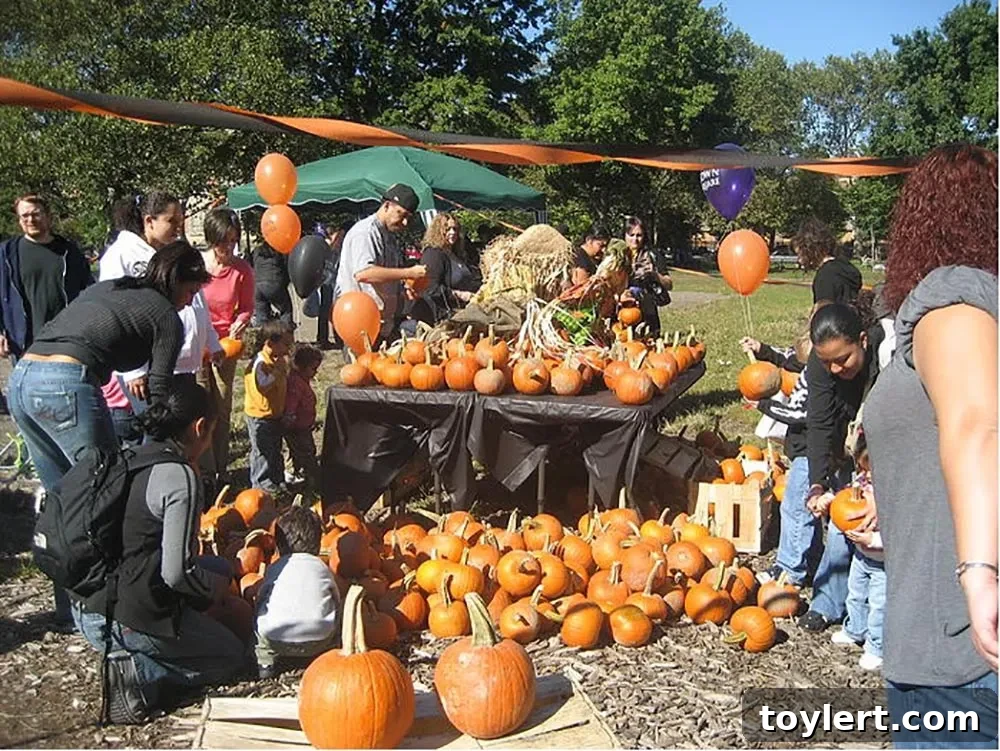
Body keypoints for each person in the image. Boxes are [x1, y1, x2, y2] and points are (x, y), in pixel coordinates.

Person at [863, 143, 997, 747]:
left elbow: (975, 424)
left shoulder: (955, 292)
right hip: (942, 642)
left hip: (962, 650)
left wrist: (978, 572)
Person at [70, 380, 248, 723]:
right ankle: (139, 674)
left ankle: (147, 647)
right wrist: (216, 591)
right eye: (211, 431)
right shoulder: (180, 477)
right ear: (199, 427)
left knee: (219, 568)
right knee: (231, 657)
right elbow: (176, 573)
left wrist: (216, 576)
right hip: (122, 617)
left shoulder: (131, 454)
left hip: (89, 600)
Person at [796, 301, 886, 633]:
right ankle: (828, 603)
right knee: (842, 520)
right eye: (826, 362)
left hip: (885, 439)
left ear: (863, 340)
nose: (835, 368)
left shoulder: (887, 354)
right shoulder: (822, 368)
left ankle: (877, 617)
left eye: (842, 359)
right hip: (846, 443)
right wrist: (818, 483)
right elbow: (818, 422)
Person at [99, 192, 185, 444]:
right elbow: (115, 312)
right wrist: (133, 369)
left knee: (167, 426)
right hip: (138, 364)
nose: (178, 228)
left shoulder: (162, 253)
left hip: (161, 358)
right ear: (149, 221)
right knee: (154, 430)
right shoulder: (121, 255)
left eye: (180, 221)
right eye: (172, 221)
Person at [0, 194, 93, 414]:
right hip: (24, 341)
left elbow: (88, 292)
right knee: (30, 405)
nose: (30, 220)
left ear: (48, 216)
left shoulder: (69, 252)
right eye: (24, 216)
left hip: (65, 340)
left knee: (64, 403)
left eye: (35, 214)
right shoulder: (7, 253)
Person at [198, 208, 255, 480]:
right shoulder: (198, 267)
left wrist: (240, 322)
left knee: (221, 407)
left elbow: (246, 307)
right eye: (224, 241)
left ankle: (219, 469)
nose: (229, 247)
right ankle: (202, 467)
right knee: (200, 405)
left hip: (225, 346)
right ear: (212, 239)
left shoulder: (241, 270)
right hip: (197, 345)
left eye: (233, 241)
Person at [254, 504, 340, 679]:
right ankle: (332, 653)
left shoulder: (276, 567)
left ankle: (265, 664)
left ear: (279, 544)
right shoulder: (321, 567)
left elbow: (262, 595)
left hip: (276, 638)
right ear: (317, 544)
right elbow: (335, 597)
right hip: (320, 638)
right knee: (338, 609)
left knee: (260, 617)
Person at [335, 184, 426, 342]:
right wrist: (408, 272)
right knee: (361, 366)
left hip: (382, 325)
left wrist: (402, 288)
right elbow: (364, 273)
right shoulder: (365, 232)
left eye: (408, 219)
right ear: (387, 205)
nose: (404, 223)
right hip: (359, 325)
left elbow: (385, 275)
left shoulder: (389, 235)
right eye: (401, 214)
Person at [830, 453, 885, 672]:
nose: (866, 477)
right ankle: (855, 629)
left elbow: (899, 533)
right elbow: (845, 499)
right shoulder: (862, 485)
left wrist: (873, 539)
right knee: (856, 593)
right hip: (862, 556)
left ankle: (876, 647)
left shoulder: (892, 497)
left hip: (883, 562)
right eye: (864, 471)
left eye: (871, 474)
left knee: (879, 606)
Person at [244, 319, 294, 493]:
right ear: (270, 343)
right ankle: (261, 485)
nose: (288, 348)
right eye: (286, 344)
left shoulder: (275, 360)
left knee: (275, 449)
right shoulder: (261, 363)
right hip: (260, 416)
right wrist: (278, 372)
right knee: (262, 451)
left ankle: (276, 478)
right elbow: (262, 386)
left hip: (274, 413)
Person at [405, 212, 477, 327]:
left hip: (460, 313)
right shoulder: (433, 254)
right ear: (437, 231)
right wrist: (460, 295)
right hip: (438, 318)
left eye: (455, 229)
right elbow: (430, 287)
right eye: (447, 229)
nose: (452, 233)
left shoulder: (455, 253)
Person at [621, 216, 671, 337]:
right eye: (631, 235)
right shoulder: (618, 254)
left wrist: (654, 274)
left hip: (647, 309)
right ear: (624, 236)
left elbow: (669, 284)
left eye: (639, 235)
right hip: (623, 309)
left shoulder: (652, 255)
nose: (635, 239)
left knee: (649, 342)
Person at [794, 217, 862, 306]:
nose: (799, 259)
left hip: (835, 319)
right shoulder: (848, 268)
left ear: (810, 249)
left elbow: (823, 313)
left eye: (801, 253)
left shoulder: (825, 276)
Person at [282, 344, 323, 489]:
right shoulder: (295, 384)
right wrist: (289, 417)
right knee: (304, 451)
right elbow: (291, 404)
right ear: (301, 367)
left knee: (299, 451)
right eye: (313, 369)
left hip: (303, 425)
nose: (316, 372)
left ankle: (297, 474)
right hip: (296, 427)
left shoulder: (301, 381)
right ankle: (307, 477)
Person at [316, 222, 350, 349]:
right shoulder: (343, 246)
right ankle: (338, 339)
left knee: (325, 311)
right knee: (337, 311)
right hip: (335, 281)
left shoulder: (333, 246)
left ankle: (322, 338)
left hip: (327, 280)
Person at [252, 242, 293, 326]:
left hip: (257, 286)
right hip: (274, 283)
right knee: (286, 311)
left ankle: (262, 336)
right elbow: (287, 268)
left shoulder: (257, 250)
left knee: (261, 318)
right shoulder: (280, 250)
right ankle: (286, 336)